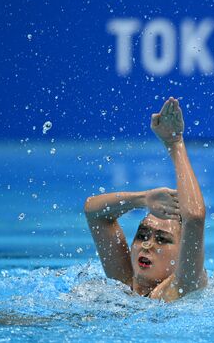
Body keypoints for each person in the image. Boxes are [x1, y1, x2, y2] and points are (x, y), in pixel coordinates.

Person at [84, 97, 207, 301]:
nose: (147, 245)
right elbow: (94, 213)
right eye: (142, 235)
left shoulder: (180, 288)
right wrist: (142, 199)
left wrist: (174, 143)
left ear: (183, 253)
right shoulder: (125, 280)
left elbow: (194, 217)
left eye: (162, 239)